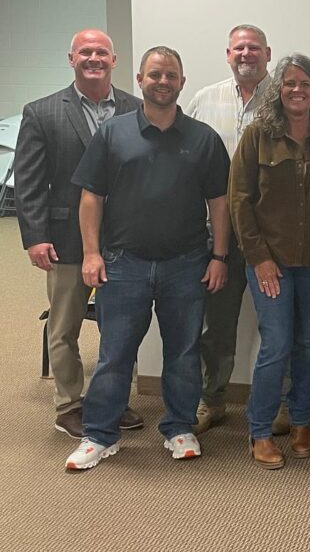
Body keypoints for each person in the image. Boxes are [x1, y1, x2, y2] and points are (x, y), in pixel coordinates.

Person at [64, 46, 231, 470]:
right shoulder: (113, 133)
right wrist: (90, 253)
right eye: (155, 74)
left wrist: (219, 256)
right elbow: (91, 197)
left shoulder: (203, 138)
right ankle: (100, 435)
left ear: (182, 82)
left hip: (187, 264)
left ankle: (179, 428)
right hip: (123, 263)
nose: (163, 82)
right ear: (140, 80)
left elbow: (220, 202)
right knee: (115, 352)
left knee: (183, 351)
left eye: (170, 75)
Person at [230, 54, 310, 469]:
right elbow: (239, 202)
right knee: (277, 344)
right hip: (270, 263)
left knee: (307, 343)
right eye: (289, 84)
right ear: (278, 91)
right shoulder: (257, 136)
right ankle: (261, 430)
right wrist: (259, 258)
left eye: (305, 84)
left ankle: (302, 421)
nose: (297, 90)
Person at [15, 29, 144, 439]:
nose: (94, 58)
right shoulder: (42, 112)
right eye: (85, 52)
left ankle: (112, 399)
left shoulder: (137, 108)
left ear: (114, 59)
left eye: (101, 52)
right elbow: (30, 181)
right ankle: (69, 404)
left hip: (124, 241)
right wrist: (34, 236)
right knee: (64, 325)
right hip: (66, 240)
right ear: (71, 58)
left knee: (119, 326)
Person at [184, 23, 274, 435]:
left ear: (268, 54)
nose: (246, 55)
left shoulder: (286, 98)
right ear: (228, 54)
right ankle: (212, 399)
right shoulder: (204, 99)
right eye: (239, 48)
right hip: (216, 234)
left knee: (279, 325)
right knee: (216, 325)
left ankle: (282, 405)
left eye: (253, 48)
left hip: (273, 234)